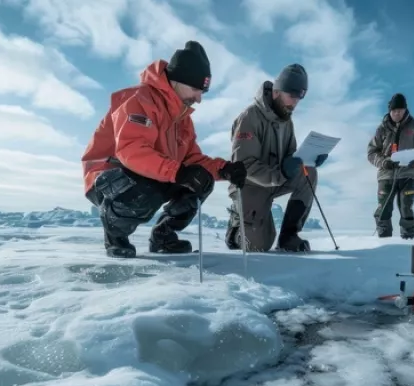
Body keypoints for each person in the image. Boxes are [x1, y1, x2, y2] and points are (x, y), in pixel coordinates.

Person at [81, 41, 247, 257]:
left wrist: (224, 169)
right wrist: (178, 172)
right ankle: (115, 234)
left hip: (152, 174)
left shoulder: (182, 118)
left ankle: (163, 236)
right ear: (178, 80)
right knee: (150, 187)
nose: (199, 98)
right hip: (108, 177)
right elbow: (132, 150)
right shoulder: (139, 99)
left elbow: (192, 159)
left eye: (202, 91)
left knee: (201, 180)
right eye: (196, 89)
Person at [224, 64, 328, 253]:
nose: (294, 103)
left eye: (298, 98)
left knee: (308, 172)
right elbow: (244, 164)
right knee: (259, 246)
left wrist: (309, 159)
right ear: (277, 91)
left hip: (274, 180)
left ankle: (289, 236)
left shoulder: (287, 120)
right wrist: (281, 172)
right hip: (249, 186)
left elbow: (292, 156)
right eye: (292, 96)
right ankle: (236, 228)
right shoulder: (250, 117)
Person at [366, 93, 414, 239]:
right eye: (394, 111)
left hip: (408, 175)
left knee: (406, 207)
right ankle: (384, 240)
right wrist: (383, 162)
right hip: (386, 176)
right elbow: (371, 152)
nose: (397, 114)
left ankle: (407, 240)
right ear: (390, 110)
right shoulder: (381, 129)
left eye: (400, 111)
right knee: (384, 208)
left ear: (405, 110)